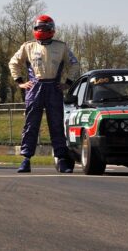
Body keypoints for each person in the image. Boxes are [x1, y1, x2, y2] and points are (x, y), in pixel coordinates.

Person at [9, 14, 80, 174]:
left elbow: (74, 65)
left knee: (56, 124)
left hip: (54, 89)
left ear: (52, 29)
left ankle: (61, 159)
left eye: (45, 27)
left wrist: (67, 83)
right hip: (34, 89)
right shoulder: (28, 47)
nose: (42, 30)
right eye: (39, 27)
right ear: (35, 29)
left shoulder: (61, 47)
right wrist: (20, 82)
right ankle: (26, 159)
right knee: (31, 125)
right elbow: (13, 63)